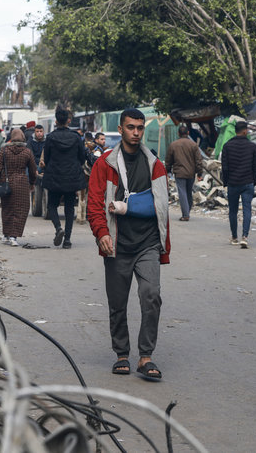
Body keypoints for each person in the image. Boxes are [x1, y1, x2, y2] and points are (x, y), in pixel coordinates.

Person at [87, 108, 171, 380]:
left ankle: (146, 356)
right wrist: (102, 234)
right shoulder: (105, 165)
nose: (136, 132)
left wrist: (163, 243)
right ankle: (122, 353)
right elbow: (95, 204)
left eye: (140, 128)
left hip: (147, 242)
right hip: (118, 243)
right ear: (121, 130)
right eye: (131, 127)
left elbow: (161, 206)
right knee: (118, 302)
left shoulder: (155, 165)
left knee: (151, 295)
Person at [42, 109, 87, 248]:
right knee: (69, 208)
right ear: (68, 120)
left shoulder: (50, 137)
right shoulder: (76, 137)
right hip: (71, 177)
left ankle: (58, 228)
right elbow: (82, 157)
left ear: (56, 121)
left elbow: (47, 158)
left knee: (52, 205)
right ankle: (67, 240)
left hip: (55, 176)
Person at [0, 128, 37, 246]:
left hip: (6, 183)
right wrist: (32, 183)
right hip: (22, 183)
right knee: (20, 210)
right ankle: (14, 237)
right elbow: (33, 170)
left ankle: (6, 235)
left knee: (7, 209)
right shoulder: (27, 152)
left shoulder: (4, 150)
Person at [221, 120, 256, 248]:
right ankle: (245, 237)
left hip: (233, 183)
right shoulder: (253, 147)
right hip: (247, 182)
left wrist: (225, 182)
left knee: (232, 211)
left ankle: (234, 237)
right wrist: (254, 181)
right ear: (245, 131)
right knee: (247, 210)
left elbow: (224, 167)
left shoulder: (227, 146)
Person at [165, 125, 203, 221]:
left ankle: (185, 215)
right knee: (188, 192)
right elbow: (198, 160)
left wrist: (168, 170)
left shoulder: (173, 145)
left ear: (178, 133)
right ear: (188, 133)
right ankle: (187, 211)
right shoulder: (193, 145)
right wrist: (199, 173)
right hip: (191, 173)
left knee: (182, 192)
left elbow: (168, 160)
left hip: (179, 173)